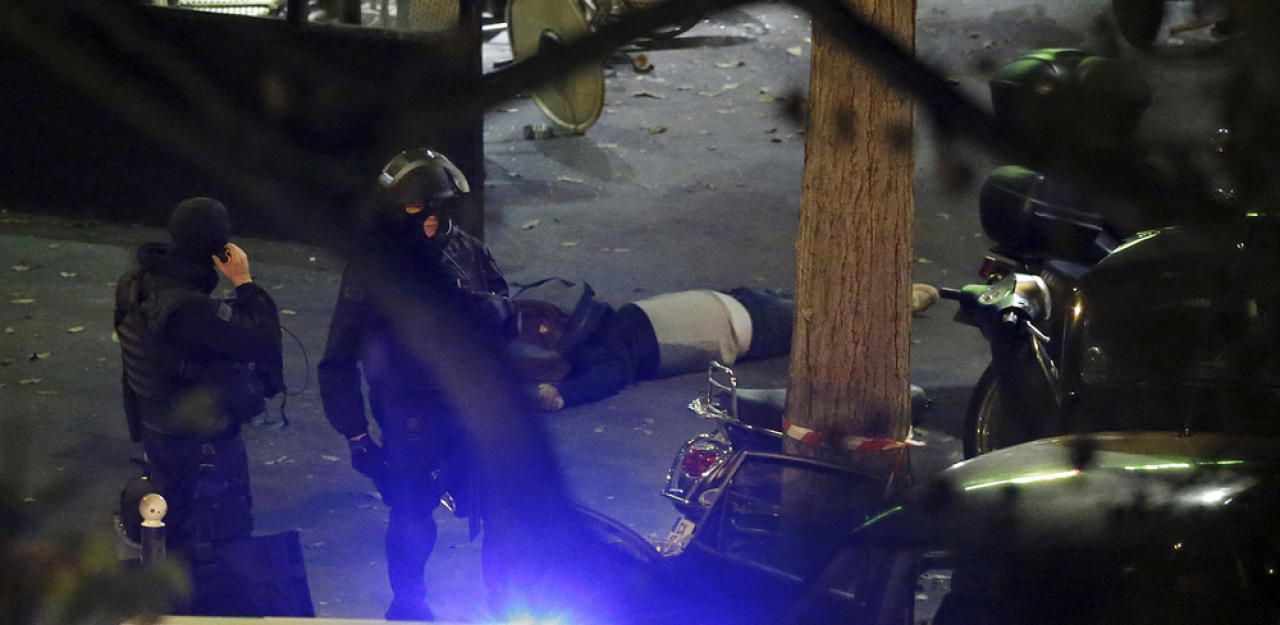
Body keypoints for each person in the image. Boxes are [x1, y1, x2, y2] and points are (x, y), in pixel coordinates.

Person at [318, 148, 507, 621]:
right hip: (410, 418)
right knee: (410, 519)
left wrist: (479, 309)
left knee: (501, 515)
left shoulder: (467, 251)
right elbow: (338, 358)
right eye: (413, 210)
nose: (426, 221)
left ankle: (507, 605)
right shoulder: (375, 270)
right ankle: (408, 607)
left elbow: (507, 316)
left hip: (472, 414)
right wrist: (356, 436)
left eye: (433, 211)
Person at [113, 196, 283, 554]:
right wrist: (244, 282)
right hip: (202, 442)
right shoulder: (190, 310)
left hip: (156, 430)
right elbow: (262, 338)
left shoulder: (135, 284)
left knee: (171, 533)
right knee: (223, 540)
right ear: (219, 245)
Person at [512, 283, 940, 411]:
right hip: (733, 306)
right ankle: (891, 297)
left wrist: (564, 394)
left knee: (828, 316)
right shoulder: (614, 322)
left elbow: (608, 378)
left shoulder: (608, 348)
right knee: (816, 304)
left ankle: (895, 302)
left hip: (745, 323)